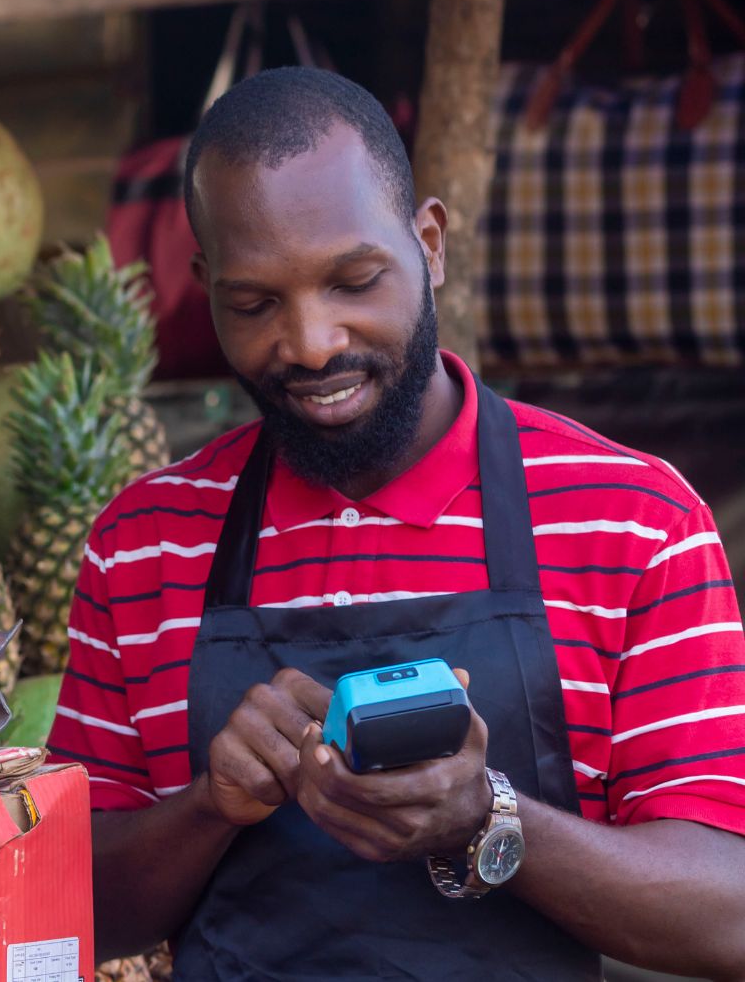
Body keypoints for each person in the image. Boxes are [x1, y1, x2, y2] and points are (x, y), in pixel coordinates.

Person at [50, 67, 745, 980]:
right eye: (256, 303)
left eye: (354, 280)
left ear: (430, 243)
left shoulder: (634, 521)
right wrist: (210, 806)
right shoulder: (144, 543)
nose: (311, 341)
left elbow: (727, 917)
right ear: (206, 285)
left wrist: (491, 820)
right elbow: (68, 918)